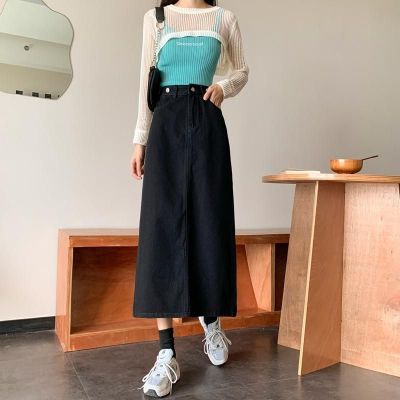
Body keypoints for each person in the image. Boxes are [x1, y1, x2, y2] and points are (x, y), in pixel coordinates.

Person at [130, 0, 249, 397]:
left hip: (207, 122)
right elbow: (145, 83)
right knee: (161, 232)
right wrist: (139, 139)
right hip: (165, 123)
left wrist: (224, 87)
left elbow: (242, 70)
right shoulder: (156, 19)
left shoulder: (224, 19)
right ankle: (166, 353)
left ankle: (211, 321)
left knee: (209, 223)